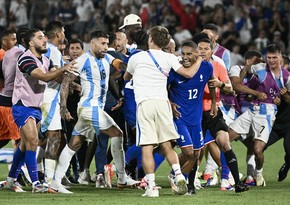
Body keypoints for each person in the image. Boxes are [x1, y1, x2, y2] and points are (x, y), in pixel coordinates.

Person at [50, 30, 140, 194]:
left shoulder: (107, 57)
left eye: (107, 43)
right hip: (88, 107)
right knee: (117, 134)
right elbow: (65, 82)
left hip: (93, 109)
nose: (106, 47)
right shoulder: (83, 60)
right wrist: (62, 108)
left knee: (74, 144)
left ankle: (55, 182)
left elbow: (118, 64)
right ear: (92, 44)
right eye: (102, 43)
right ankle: (121, 178)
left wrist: (131, 66)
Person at [124, 26, 203, 197]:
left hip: (145, 104)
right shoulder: (169, 58)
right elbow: (188, 74)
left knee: (147, 147)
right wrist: (198, 61)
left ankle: (151, 187)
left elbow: (126, 77)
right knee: (167, 145)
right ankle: (179, 174)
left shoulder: (136, 57)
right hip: (163, 104)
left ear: (150, 39)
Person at [4, 28, 75, 193]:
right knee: (33, 142)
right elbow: (43, 77)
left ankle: (9, 180)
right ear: (31, 43)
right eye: (40, 37)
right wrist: (63, 69)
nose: (44, 40)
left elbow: (55, 77)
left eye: (44, 37)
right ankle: (36, 184)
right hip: (23, 106)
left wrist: (70, 78)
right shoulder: (25, 59)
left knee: (24, 145)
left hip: (36, 106)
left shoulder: (45, 59)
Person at [229, 44, 290, 186]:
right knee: (225, 138)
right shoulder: (259, 68)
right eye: (269, 57)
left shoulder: (286, 77)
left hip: (267, 114)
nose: (271, 60)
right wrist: (253, 92)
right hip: (251, 110)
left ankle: (258, 173)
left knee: (258, 150)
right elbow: (245, 84)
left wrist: (284, 96)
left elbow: (288, 99)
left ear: (280, 57)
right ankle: (228, 174)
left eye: (275, 57)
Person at [197, 37, 249, 193]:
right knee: (194, 151)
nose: (202, 51)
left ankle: (236, 182)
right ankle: (180, 175)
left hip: (214, 113)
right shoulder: (190, 67)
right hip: (195, 114)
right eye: (200, 48)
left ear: (212, 51)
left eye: (206, 48)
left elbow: (229, 88)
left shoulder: (218, 66)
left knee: (224, 143)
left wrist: (220, 84)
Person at [168, 40, 216, 195]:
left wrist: (214, 102)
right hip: (180, 117)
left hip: (196, 118)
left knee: (196, 154)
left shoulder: (207, 67)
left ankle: (178, 178)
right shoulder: (175, 70)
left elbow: (211, 83)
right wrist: (170, 103)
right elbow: (162, 88)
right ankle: (179, 177)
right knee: (188, 153)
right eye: (183, 54)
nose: (185, 57)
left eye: (189, 54)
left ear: (197, 54)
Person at [41, 20, 67, 186]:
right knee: (54, 137)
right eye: (63, 31)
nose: (64, 35)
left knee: (38, 137)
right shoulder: (54, 51)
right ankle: (49, 181)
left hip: (39, 95)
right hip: (50, 96)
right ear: (58, 34)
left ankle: (37, 175)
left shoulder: (42, 49)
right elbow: (56, 75)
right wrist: (68, 76)